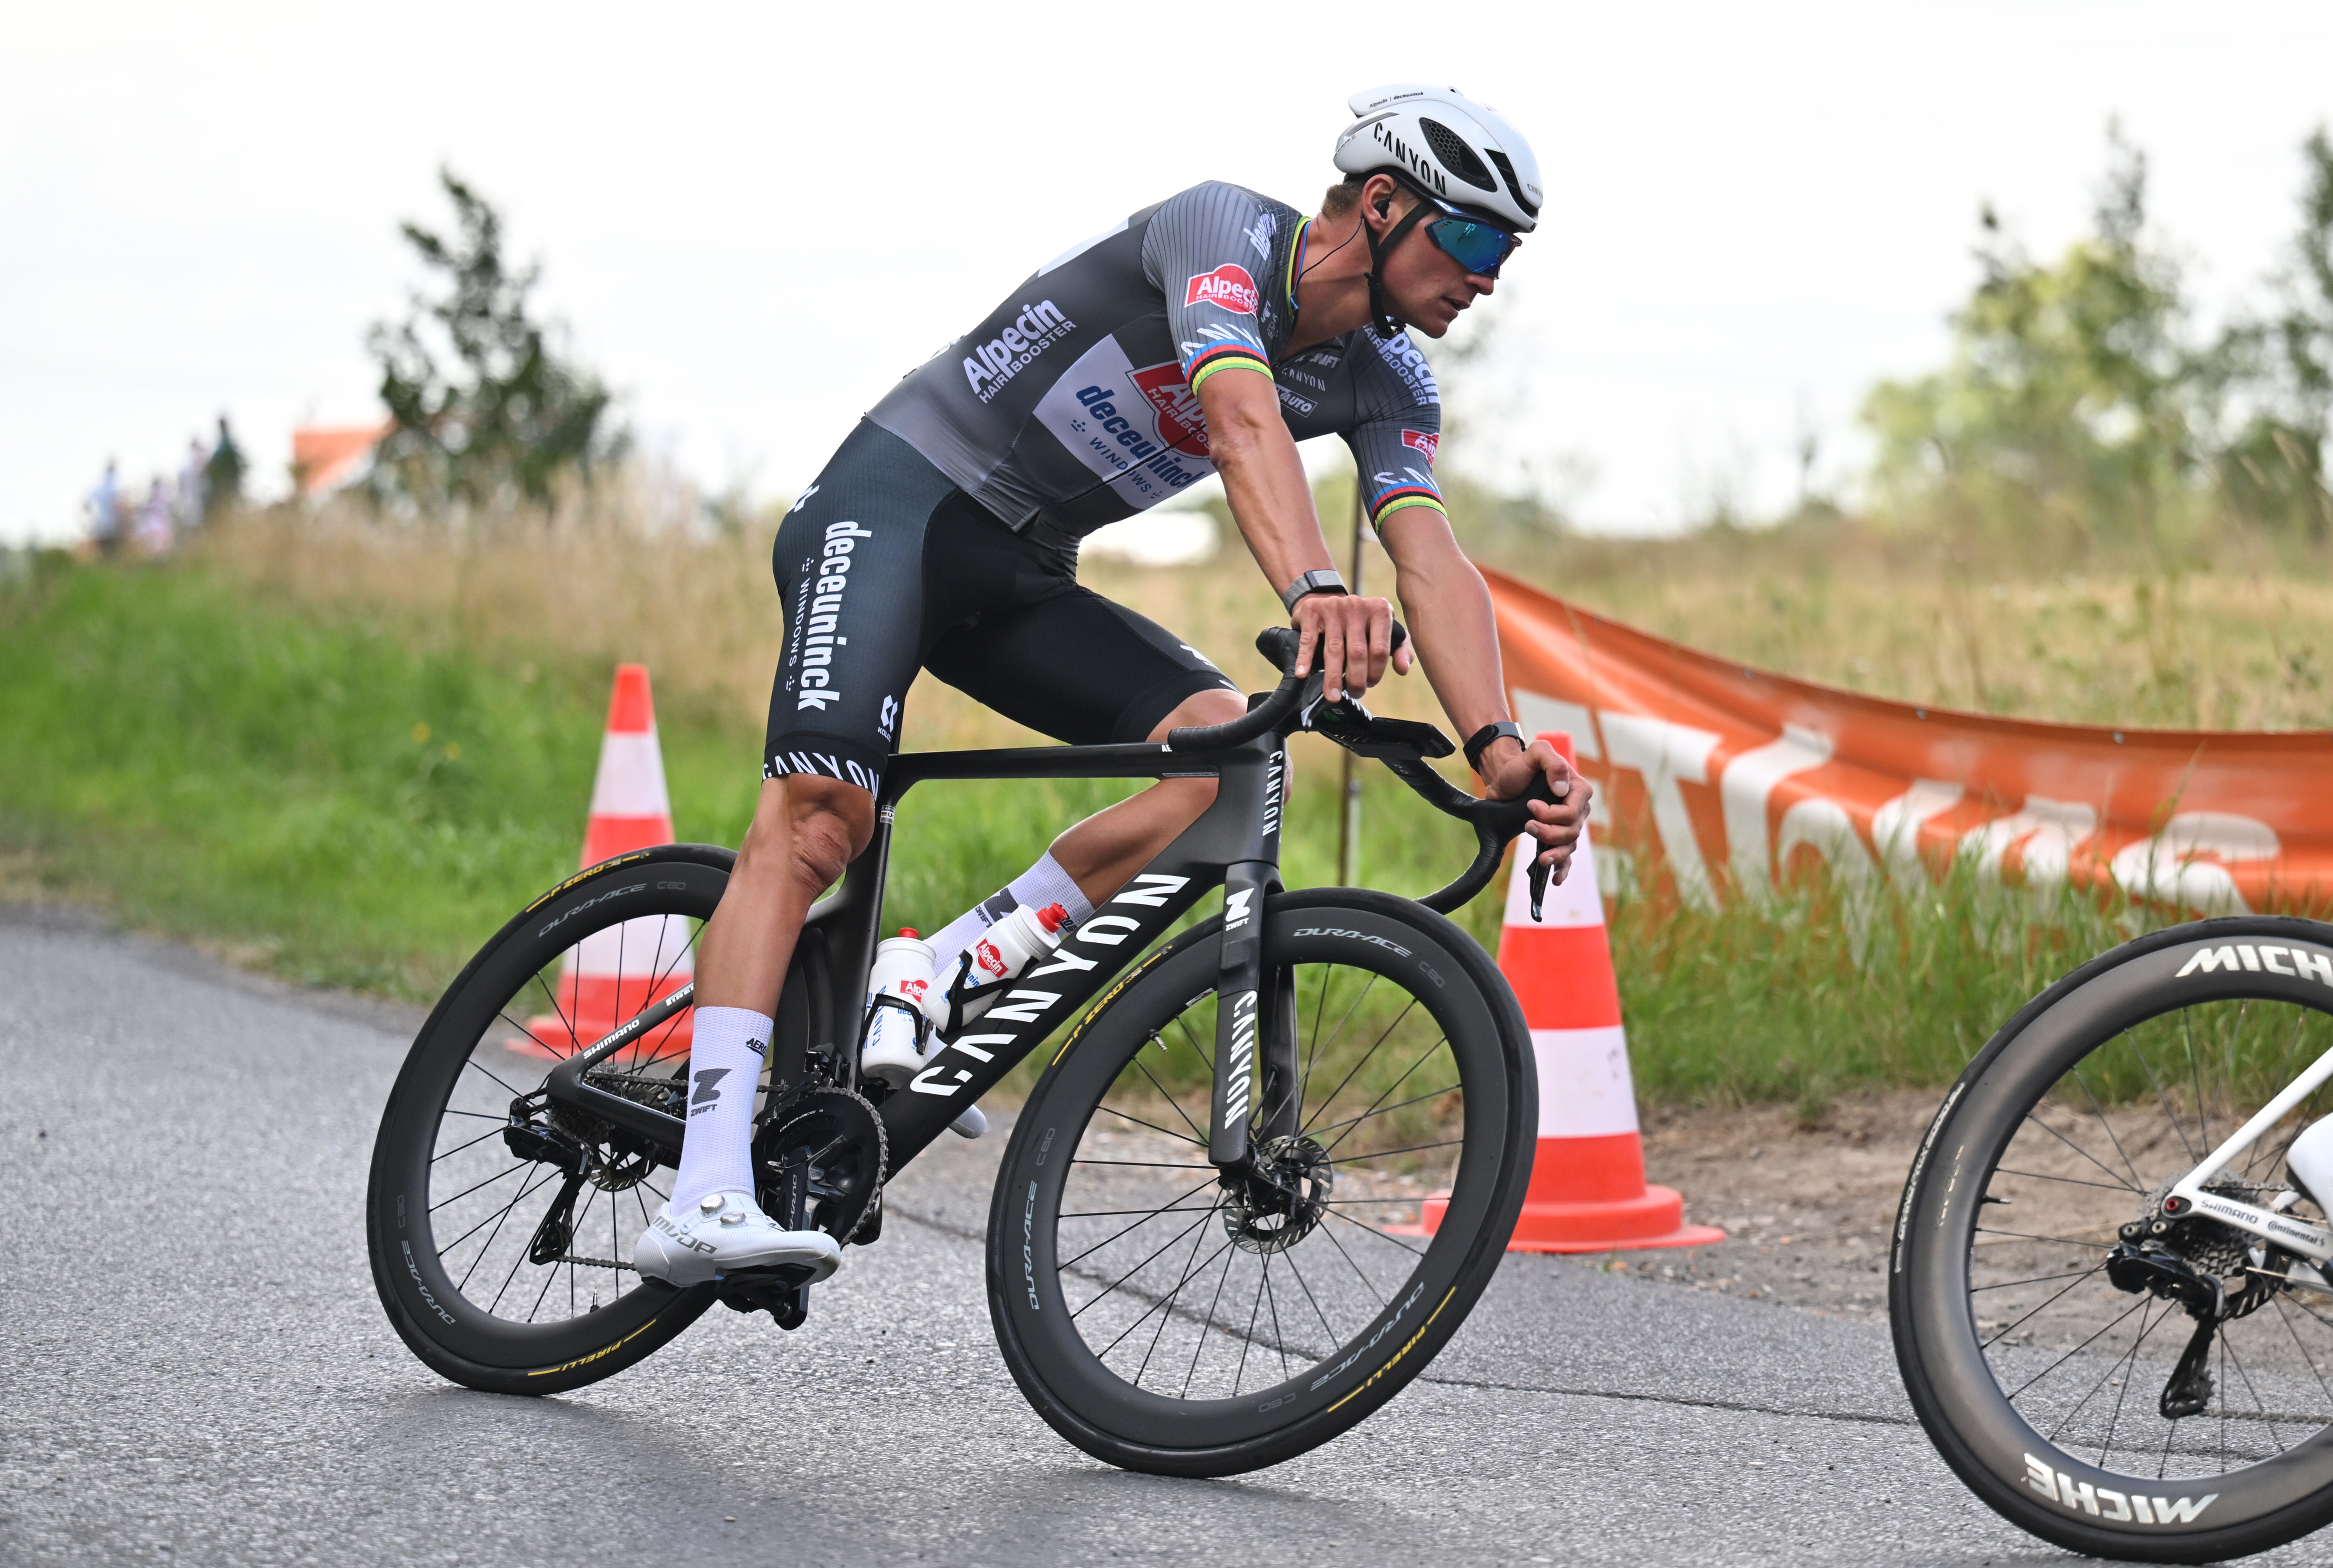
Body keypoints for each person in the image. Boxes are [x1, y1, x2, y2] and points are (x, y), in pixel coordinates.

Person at [634, 84, 1594, 1285]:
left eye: (1506, 254)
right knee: (822, 818)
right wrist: (1313, 588)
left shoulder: (1389, 379)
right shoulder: (1222, 231)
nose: (1486, 279)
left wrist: (1497, 742)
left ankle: (937, 970)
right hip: (896, 509)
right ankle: (703, 1188)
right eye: (1470, 239)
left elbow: (1429, 558)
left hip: (1020, 574)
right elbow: (1238, 416)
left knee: (1219, 753)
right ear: (1383, 204)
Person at [87, 459, 123, 557]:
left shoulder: (99, 487)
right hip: (111, 523)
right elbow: (118, 506)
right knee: (111, 551)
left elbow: (87, 504)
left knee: (104, 551)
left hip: (100, 522)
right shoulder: (114, 488)